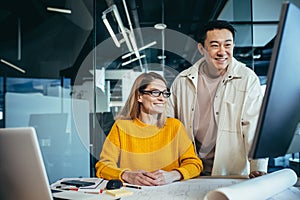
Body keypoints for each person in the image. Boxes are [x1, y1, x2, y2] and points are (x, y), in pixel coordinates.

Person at [166, 20, 268, 178]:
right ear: (201, 48)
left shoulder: (247, 79)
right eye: (215, 45)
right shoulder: (183, 80)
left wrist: (258, 170)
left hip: (230, 173)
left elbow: (254, 128)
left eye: (227, 45)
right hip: (190, 171)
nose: (222, 52)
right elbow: (168, 124)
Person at [95, 72, 203, 186]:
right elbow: (103, 166)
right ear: (139, 96)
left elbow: (194, 164)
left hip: (171, 193)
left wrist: (173, 175)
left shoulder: (175, 126)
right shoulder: (121, 127)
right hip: (134, 194)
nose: (162, 98)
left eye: (165, 93)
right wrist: (127, 175)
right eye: (155, 92)